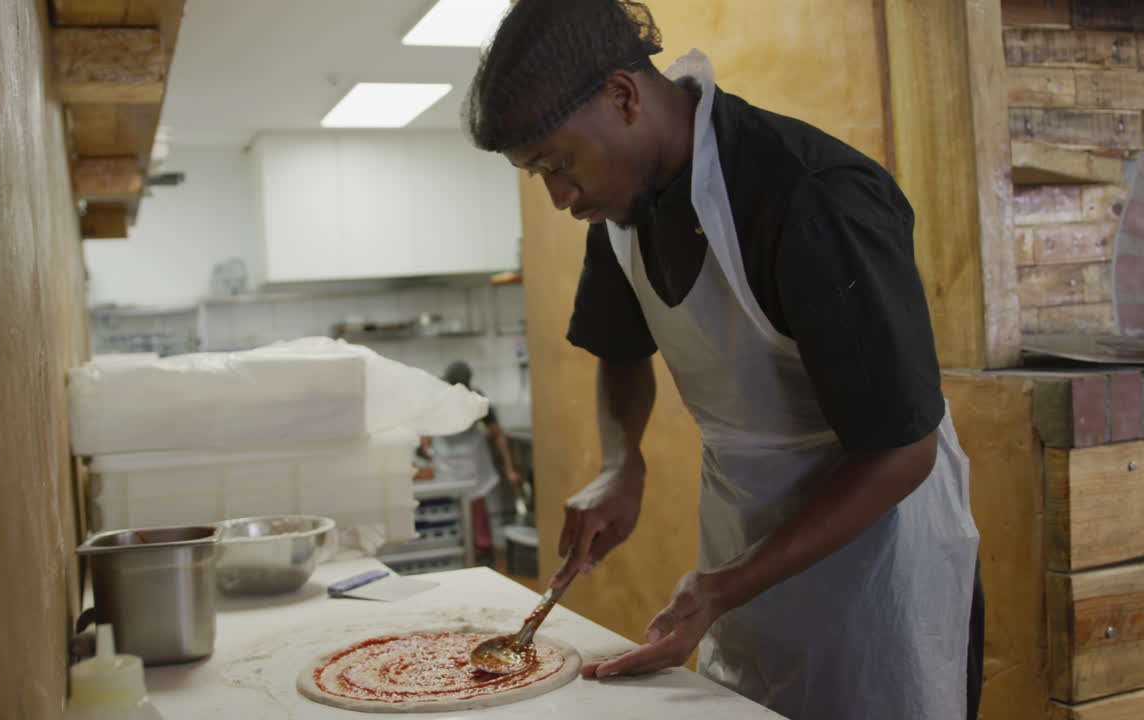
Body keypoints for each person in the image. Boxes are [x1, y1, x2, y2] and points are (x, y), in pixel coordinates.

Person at [463, 2, 984, 719]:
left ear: (623, 97)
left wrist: (724, 586)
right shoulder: (618, 205)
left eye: (558, 163)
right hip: (744, 538)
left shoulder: (811, 197)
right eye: (536, 175)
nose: (558, 196)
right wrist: (621, 461)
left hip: (879, 551)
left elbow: (903, 452)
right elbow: (621, 348)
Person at [414, 361, 522, 565]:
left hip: (472, 457)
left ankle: (484, 549)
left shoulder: (477, 400)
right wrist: (425, 445)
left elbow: (497, 434)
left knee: (476, 504)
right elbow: (427, 429)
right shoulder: (439, 397)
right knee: (448, 505)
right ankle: (455, 547)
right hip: (445, 457)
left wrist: (510, 469)